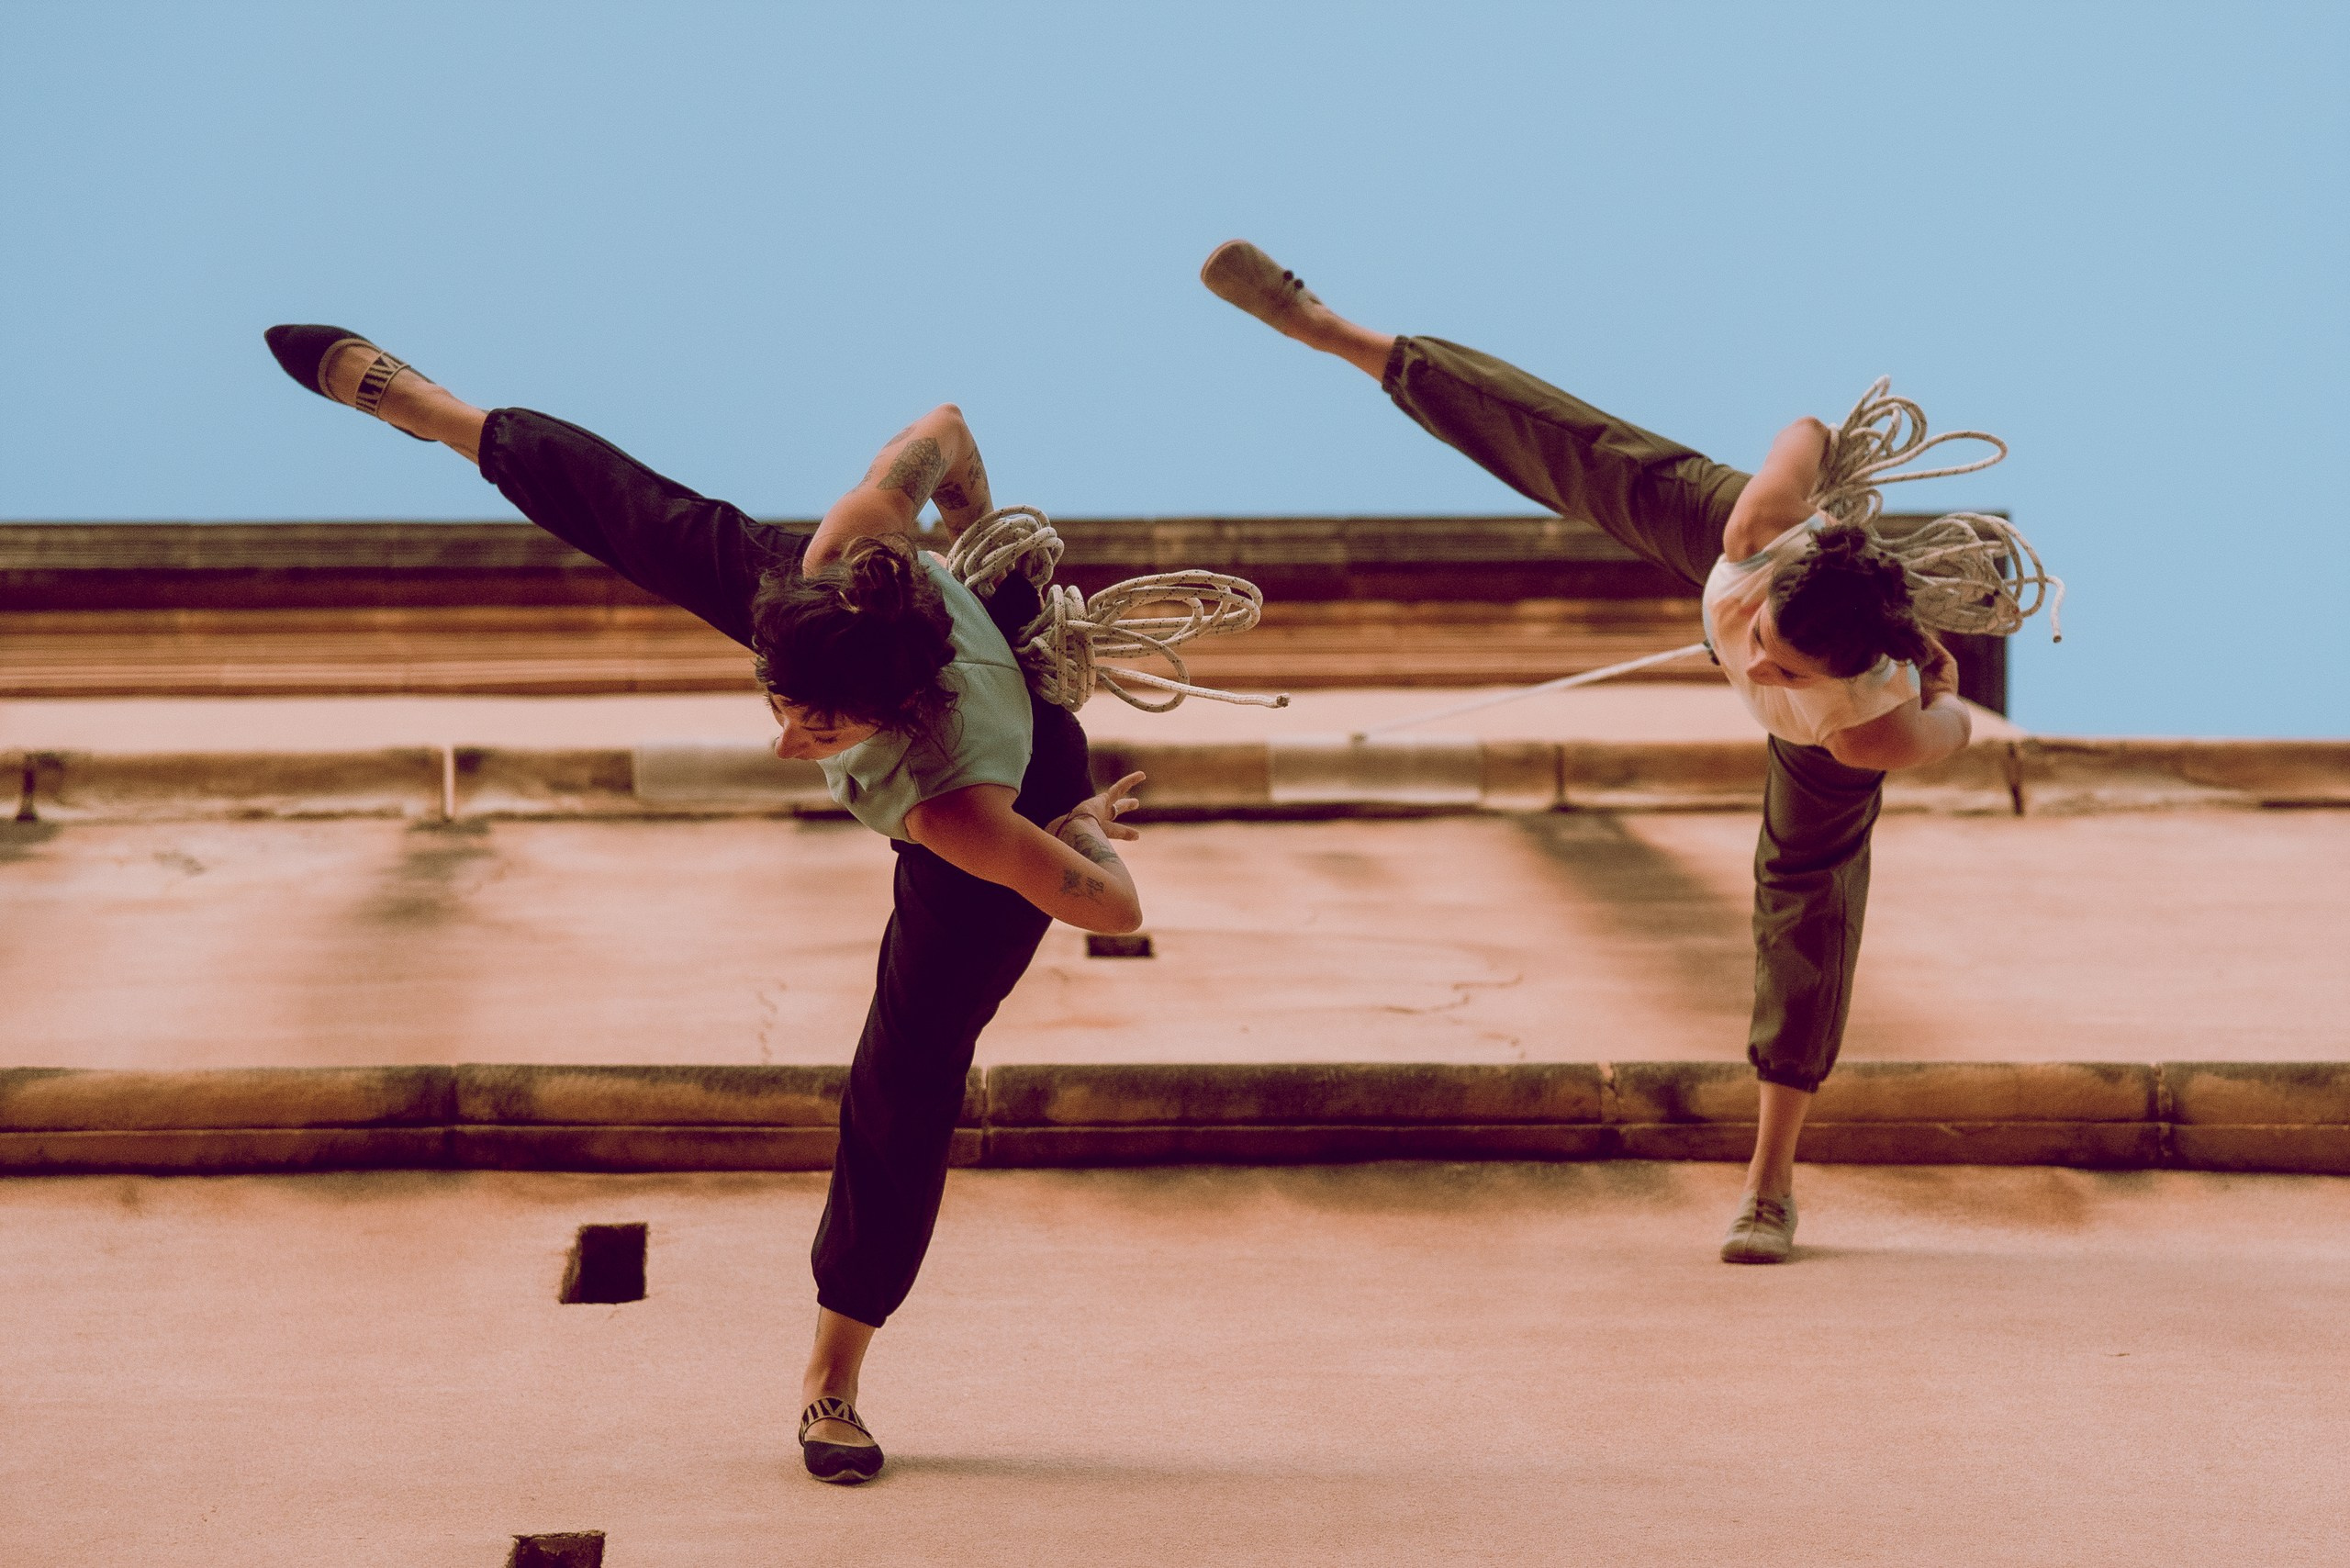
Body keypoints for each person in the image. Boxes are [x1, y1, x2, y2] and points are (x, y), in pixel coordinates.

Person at [263, 324, 1151, 1483]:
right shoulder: (841, 554)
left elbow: (1115, 912)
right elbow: (945, 426)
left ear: (882, 715)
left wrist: (1075, 828)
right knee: (650, 518)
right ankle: (437, 407)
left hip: (1030, 778)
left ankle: (831, 1378)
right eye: (781, 706)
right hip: (861, 614)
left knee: (909, 1066)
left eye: (818, 729)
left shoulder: (961, 813)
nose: (787, 746)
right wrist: (965, 526)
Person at [1197, 243, 1975, 1266]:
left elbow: (1949, 730)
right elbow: (1812, 429)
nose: (1749, 662)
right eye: (1759, 642)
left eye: (1781, 668)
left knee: (1806, 909)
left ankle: (1769, 1179)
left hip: (1835, 737)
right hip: (1741, 543)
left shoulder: (1866, 722)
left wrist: (1939, 682)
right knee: (1586, 451)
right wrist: (1823, 491)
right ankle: (1337, 331)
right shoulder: (1757, 527)